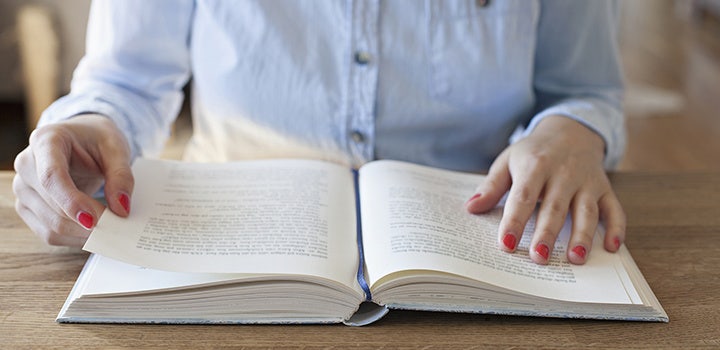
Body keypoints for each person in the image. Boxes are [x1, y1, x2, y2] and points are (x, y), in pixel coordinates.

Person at [13, 0, 626, 266]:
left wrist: (572, 131)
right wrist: (88, 126)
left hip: (487, 240)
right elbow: (127, 80)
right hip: (222, 239)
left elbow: (584, 89)